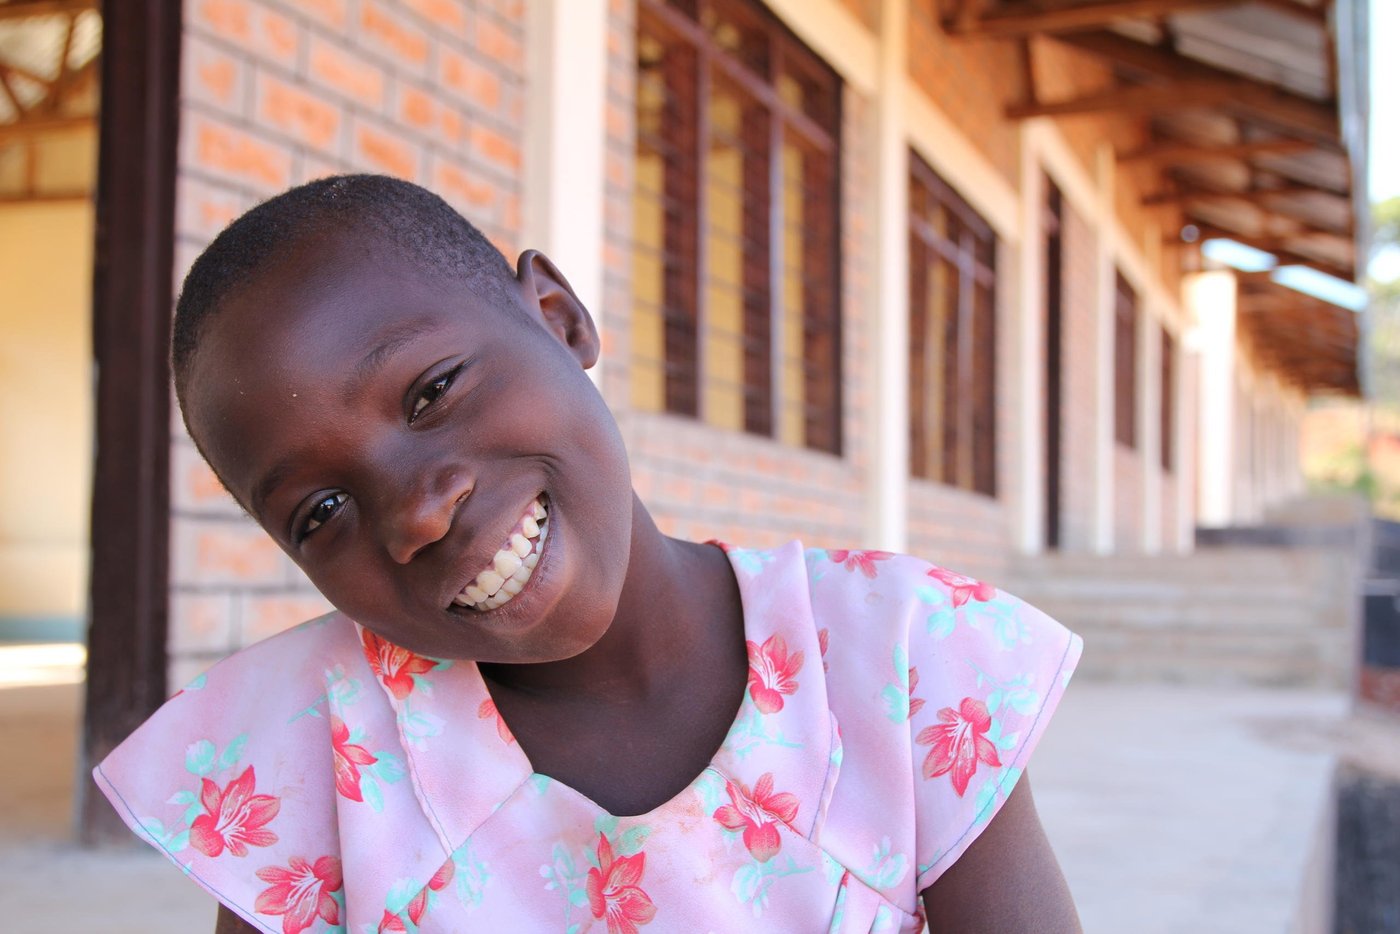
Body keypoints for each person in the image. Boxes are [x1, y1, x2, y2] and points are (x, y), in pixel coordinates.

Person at [95, 174, 1083, 934]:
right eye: (318, 512)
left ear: (558, 319)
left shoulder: (898, 659)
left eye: (431, 391)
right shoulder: (307, 749)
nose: (416, 515)